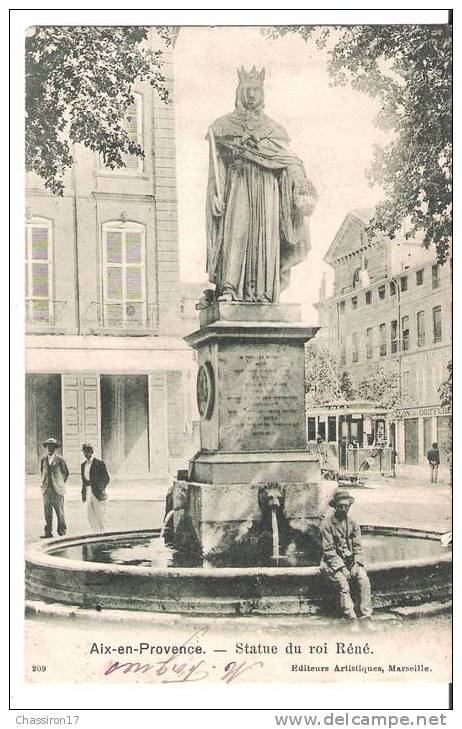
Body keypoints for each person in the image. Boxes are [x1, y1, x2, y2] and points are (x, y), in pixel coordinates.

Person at [206, 66, 317, 303]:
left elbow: (290, 160)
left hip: (268, 189)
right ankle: (229, 288)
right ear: (239, 91)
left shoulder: (274, 129)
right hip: (238, 185)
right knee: (237, 232)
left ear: (262, 93)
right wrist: (216, 194)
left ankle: (265, 293)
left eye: (256, 90)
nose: (251, 95)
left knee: (266, 237)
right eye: (247, 90)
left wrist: (301, 185)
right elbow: (218, 167)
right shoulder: (223, 126)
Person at [320, 489, 374, 630]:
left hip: (351, 562)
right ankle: (351, 618)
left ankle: (366, 616)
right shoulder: (327, 524)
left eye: (347, 506)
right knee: (343, 583)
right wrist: (342, 568)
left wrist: (356, 564)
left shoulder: (353, 524)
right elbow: (328, 550)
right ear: (335, 506)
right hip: (332, 563)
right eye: (340, 506)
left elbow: (358, 547)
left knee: (364, 578)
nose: (344, 509)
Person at [40, 437, 69, 538]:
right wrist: (44, 483)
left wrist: (60, 482)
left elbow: (66, 473)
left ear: (55, 448)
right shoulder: (43, 460)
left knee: (59, 511)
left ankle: (62, 531)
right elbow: (42, 472)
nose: (50, 448)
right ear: (46, 448)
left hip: (57, 490)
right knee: (47, 511)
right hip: (46, 490)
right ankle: (48, 532)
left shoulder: (60, 459)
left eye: (52, 447)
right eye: (48, 446)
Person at [81, 444, 110, 532]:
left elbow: (106, 478)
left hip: (97, 491)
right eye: (85, 452)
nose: (86, 454)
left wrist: (101, 488)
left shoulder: (99, 464)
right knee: (90, 513)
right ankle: (94, 532)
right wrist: (83, 493)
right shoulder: (83, 465)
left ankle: (103, 532)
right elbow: (83, 480)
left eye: (88, 451)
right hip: (88, 490)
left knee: (100, 513)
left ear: (92, 452)